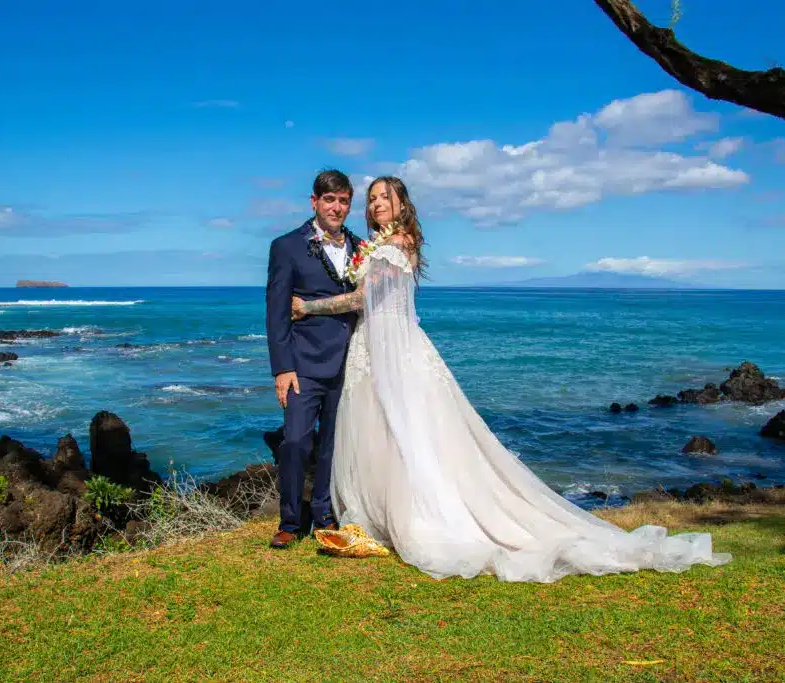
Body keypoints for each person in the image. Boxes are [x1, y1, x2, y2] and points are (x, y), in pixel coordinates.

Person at [291, 176, 732, 582]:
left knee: (409, 432)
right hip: (374, 347)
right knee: (386, 432)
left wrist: (307, 307)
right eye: (372, 199)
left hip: (394, 352)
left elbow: (363, 298)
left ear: (402, 204)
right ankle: (384, 513)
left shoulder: (395, 244)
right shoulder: (376, 245)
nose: (376, 204)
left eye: (384, 197)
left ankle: (418, 516)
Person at [264, 169, 361, 549]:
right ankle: (290, 521)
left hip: (348, 361)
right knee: (296, 442)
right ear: (314, 202)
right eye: (330, 200)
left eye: (343, 201)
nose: (337, 207)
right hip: (303, 364)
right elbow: (275, 313)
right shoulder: (287, 246)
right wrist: (282, 368)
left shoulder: (360, 247)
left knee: (332, 444)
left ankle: (323, 512)